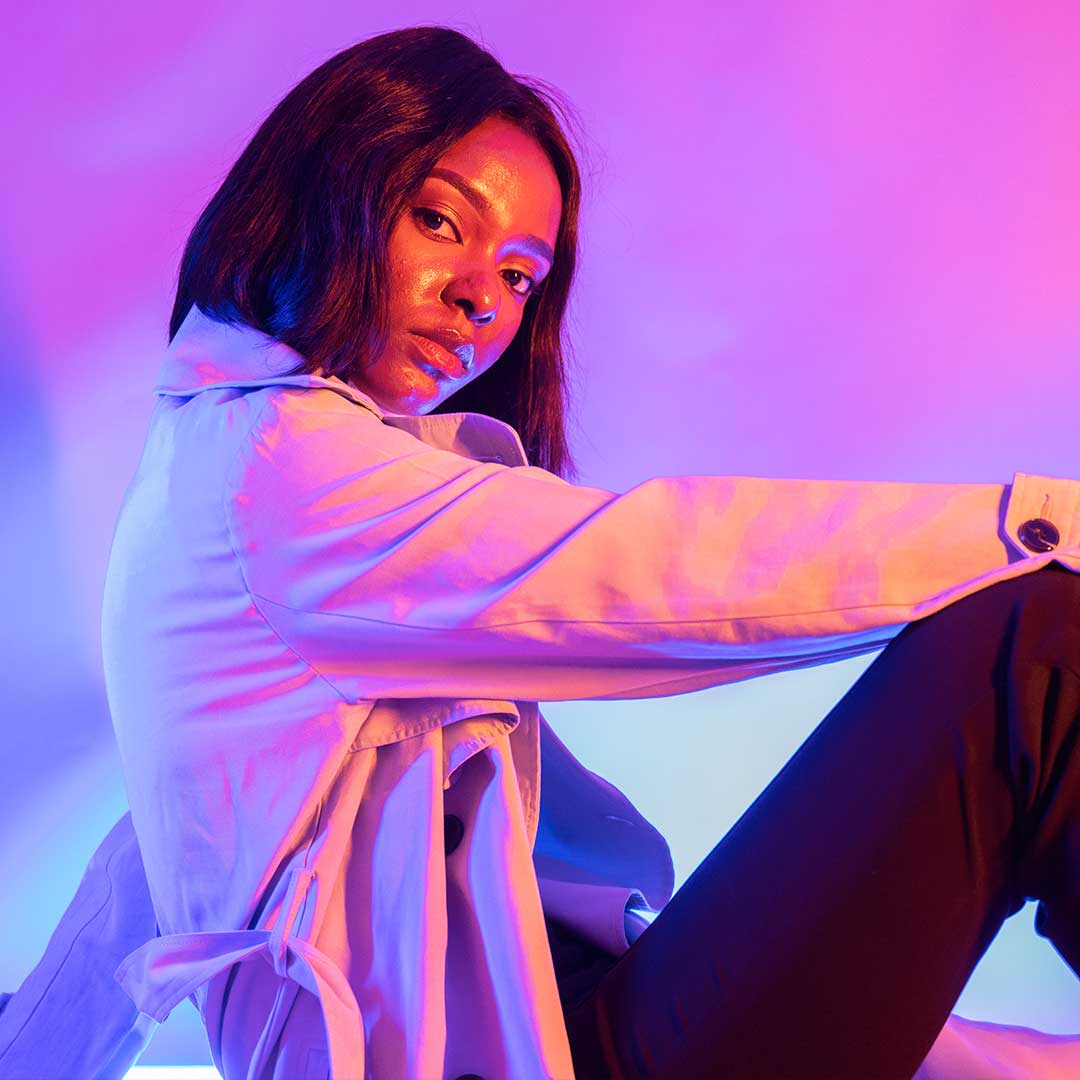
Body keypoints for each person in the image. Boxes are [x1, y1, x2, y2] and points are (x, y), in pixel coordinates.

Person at [2, 24, 1080, 1080]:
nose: (482, 297)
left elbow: (145, 870)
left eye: (522, 277)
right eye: (438, 219)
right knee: (1036, 643)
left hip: (600, 1014)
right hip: (576, 1053)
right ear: (325, 189)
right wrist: (1045, 521)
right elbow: (658, 564)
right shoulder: (277, 470)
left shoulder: (214, 476)